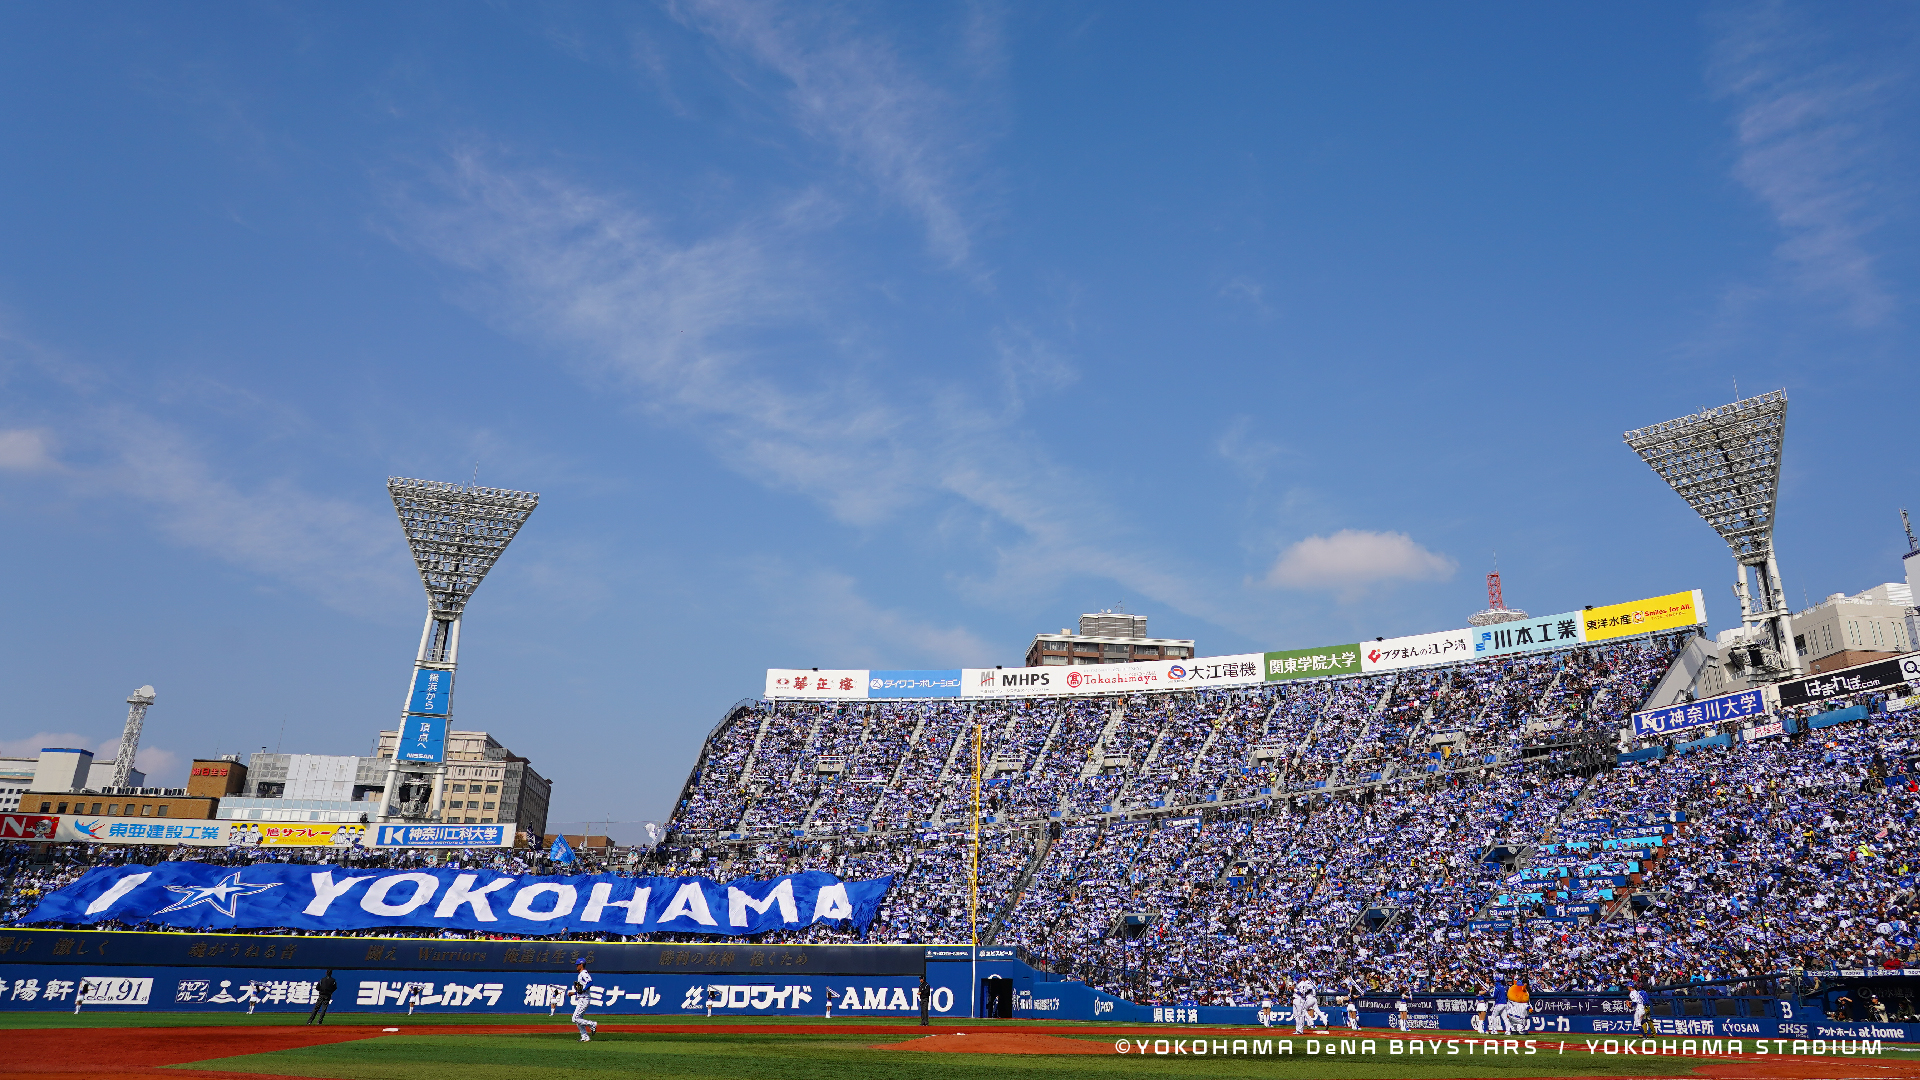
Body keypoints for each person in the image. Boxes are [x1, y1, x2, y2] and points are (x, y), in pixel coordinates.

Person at [570, 961, 598, 1042]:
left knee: (575, 1018)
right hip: (582, 998)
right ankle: (585, 1037)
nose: (576, 966)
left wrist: (584, 989)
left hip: (584, 999)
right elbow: (580, 991)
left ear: (581, 965)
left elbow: (590, 982)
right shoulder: (580, 974)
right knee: (579, 1019)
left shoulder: (584, 973)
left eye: (577, 965)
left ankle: (592, 1024)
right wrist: (574, 993)